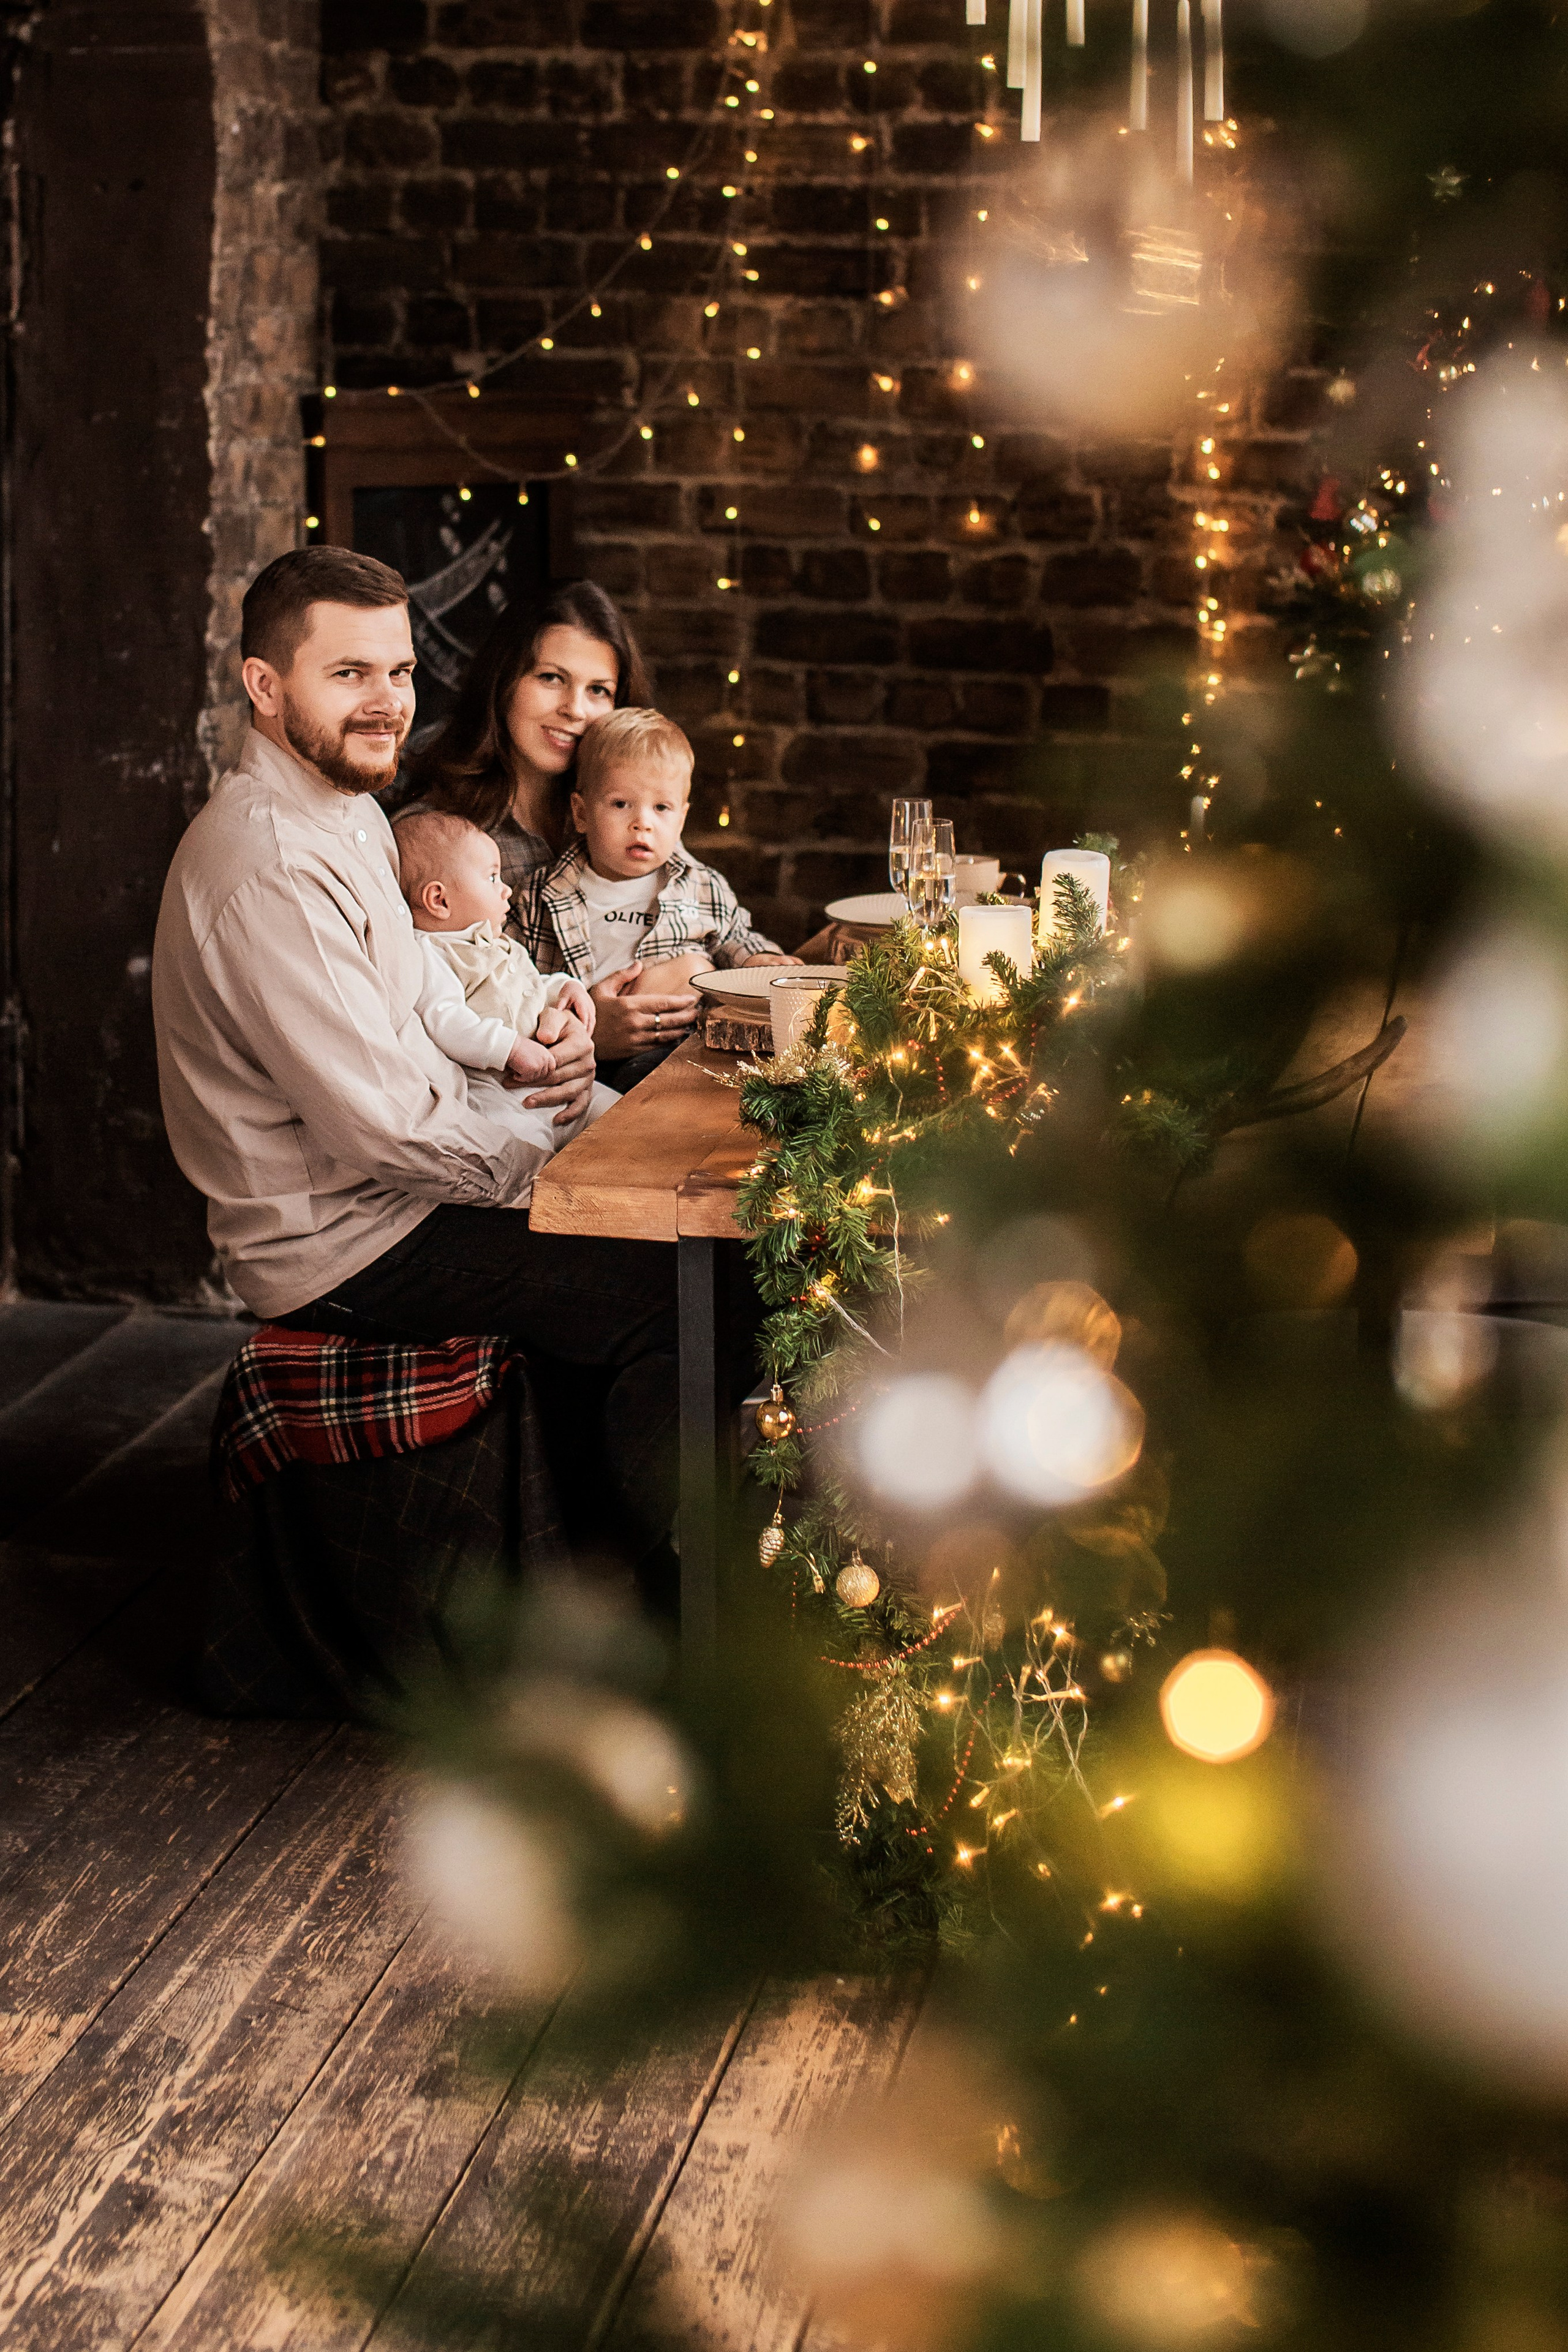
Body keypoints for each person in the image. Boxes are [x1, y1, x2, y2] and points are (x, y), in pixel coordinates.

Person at [152, 547, 679, 1561]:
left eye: (398, 671)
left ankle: (589, 1567)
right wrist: (573, 1171)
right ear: (264, 685)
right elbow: (388, 1132)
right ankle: (675, 1621)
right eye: (348, 673)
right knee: (677, 1295)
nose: (387, 701)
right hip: (343, 1247)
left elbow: (432, 999)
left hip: (406, 1199)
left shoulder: (350, 810)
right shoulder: (269, 866)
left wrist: (547, 1029)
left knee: (682, 1263)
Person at [407, 581, 706, 1071]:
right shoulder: (441, 838)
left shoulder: (627, 806)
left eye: (598, 690)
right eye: (551, 678)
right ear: (503, 682)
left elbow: (704, 907)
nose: (576, 709)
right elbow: (424, 1020)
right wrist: (589, 1033)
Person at [518, 706, 800, 1089]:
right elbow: (516, 977)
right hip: (580, 1053)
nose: (643, 822)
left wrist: (759, 959)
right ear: (581, 813)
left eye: (661, 808)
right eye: (621, 804)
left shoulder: (702, 886)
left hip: (680, 1046)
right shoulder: (541, 896)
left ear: (681, 819)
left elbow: (733, 939)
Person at [395, 805, 619, 1183]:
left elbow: (527, 986)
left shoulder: (494, 942)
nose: (507, 889)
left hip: (553, 1084)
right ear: (439, 900)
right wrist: (509, 1048)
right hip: (499, 1092)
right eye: (492, 877)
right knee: (523, 1150)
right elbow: (445, 1019)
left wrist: (565, 987)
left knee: (620, 1115)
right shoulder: (434, 953)